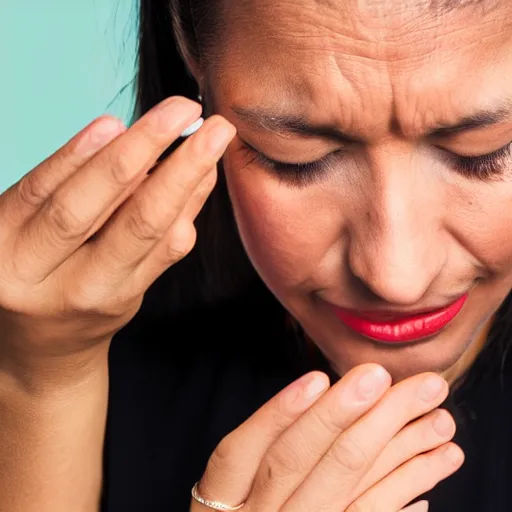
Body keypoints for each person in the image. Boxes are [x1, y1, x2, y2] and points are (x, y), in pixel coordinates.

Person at [1, 0, 512, 510]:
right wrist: (40, 382)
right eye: (296, 159)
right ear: (194, 63)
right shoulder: (97, 349)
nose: (395, 276)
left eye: (483, 151)